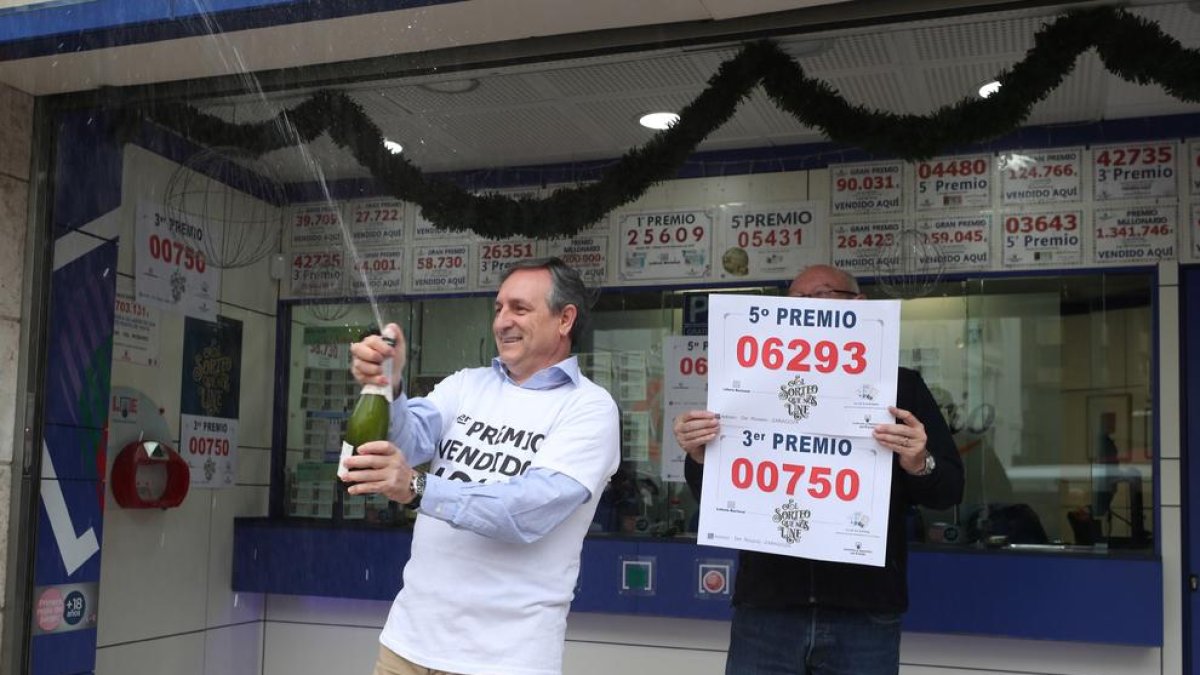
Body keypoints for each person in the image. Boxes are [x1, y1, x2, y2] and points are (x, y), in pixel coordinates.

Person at [673, 264, 963, 675]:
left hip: (864, 611)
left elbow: (949, 491)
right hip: (768, 609)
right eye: (796, 303)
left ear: (858, 306)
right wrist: (699, 455)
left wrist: (921, 463)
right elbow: (715, 494)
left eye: (821, 296)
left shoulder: (901, 388)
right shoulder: (749, 387)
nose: (807, 311)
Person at [345, 257, 620, 675]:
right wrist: (390, 385)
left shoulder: (589, 407)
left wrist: (419, 488)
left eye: (519, 309)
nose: (502, 322)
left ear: (565, 319)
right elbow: (409, 441)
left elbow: (526, 511)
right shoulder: (466, 384)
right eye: (498, 308)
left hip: (503, 660)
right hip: (406, 645)